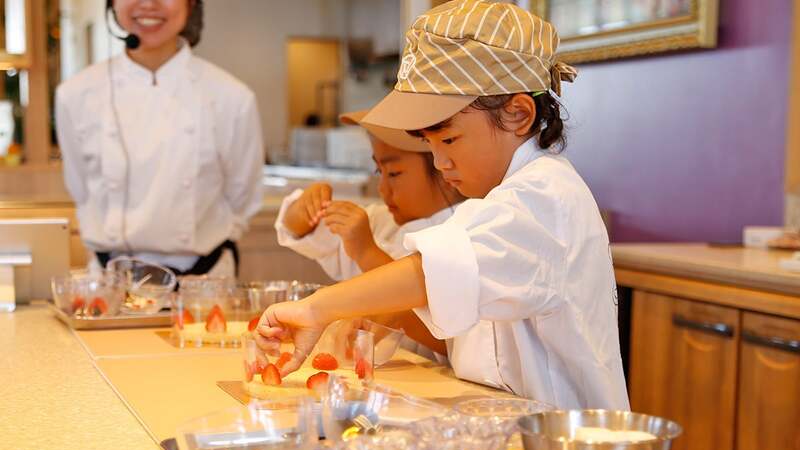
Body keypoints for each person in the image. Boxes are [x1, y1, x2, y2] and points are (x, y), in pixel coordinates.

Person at [255, 0, 629, 409]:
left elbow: (431, 274)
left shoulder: (546, 195)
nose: (439, 162)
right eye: (430, 144)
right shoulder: (501, 196)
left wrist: (315, 310)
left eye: (449, 139)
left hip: (561, 437)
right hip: (512, 424)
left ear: (518, 115)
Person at [56, 0, 264, 278]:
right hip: (111, 283)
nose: (149, 4)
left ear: (191, 4)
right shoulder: (75, 95)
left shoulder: (232, 97)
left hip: (203, 283)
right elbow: (80, 189)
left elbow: (243, 199)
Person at [275, 109, 463, 357]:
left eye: (394, 173)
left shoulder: (461, 234)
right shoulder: (379, 220)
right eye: (378, 172)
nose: (382, 188)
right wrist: (304, 207)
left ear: (443, 170)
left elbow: (452, 342)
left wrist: (366, 252)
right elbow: (297, 229)